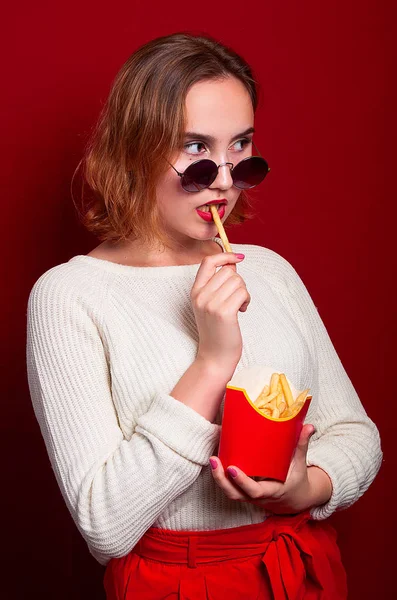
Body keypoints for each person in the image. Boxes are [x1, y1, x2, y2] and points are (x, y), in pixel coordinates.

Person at [26, 33, 382, 599]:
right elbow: (105, 524)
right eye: (195, 148)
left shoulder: (269, 270)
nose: (223, 178)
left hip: (300, 571)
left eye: (240, 146)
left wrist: (304, 489)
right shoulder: (70, 295)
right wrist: (214, 359)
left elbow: (356, 434)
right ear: (132, 149)